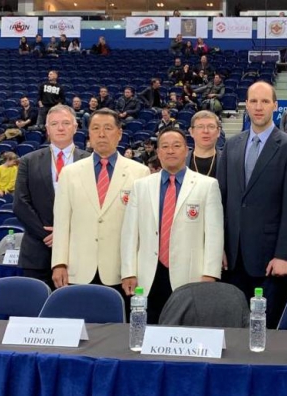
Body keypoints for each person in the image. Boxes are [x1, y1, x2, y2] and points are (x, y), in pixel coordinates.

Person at [217, 81, 287, 328]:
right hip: (232, 259)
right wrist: (219, 247)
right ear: (246, 105)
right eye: (253, 101)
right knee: (233, 330)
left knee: (264, 332)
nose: (258, 107)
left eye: (265, 101)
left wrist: (284, 255)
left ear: (275, 106)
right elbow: (221, 201)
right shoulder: (232, 145)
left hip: (269, 261)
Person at [120, 128, 224, 323]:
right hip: (148, 274)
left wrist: (210, 274)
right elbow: (129, 234)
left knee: (187, 330)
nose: (170, 151)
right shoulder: (141, 186)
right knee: (148, 329)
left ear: (186, 150)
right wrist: (128, 272)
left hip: (190, 274)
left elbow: (214, 235)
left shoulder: (207, 185)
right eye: (165, 146)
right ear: (158, 152)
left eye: (176, 146)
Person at [51, 109, 150, 303]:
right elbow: (62, 223)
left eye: (108, 128)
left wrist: (133, 269)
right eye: (95, 128)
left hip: (120, 272)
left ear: (119, 133)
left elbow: (142, 230)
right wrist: (59, 263)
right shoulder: (70, 173)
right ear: (89, 134)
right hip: (78, 269)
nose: (101, 134)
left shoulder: (140, 173)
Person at [14, 104, 90, 290]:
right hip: (37, 252)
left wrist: (65, 233)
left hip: (78, 253)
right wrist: (48, 235)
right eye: (54, 124)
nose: (60, 128)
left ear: (75, 127)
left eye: (66, 123)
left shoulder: (90, 162)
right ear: (47, 129)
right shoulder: (28, 161)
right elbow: (20, 204)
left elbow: (93, 206)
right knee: (36, 305)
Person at [188, 110, 221, 178]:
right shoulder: (180, 160)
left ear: (218, 132)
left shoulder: (229, 161)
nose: (206, 131)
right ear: (191, 132)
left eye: (211, 126)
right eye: (200, 127)